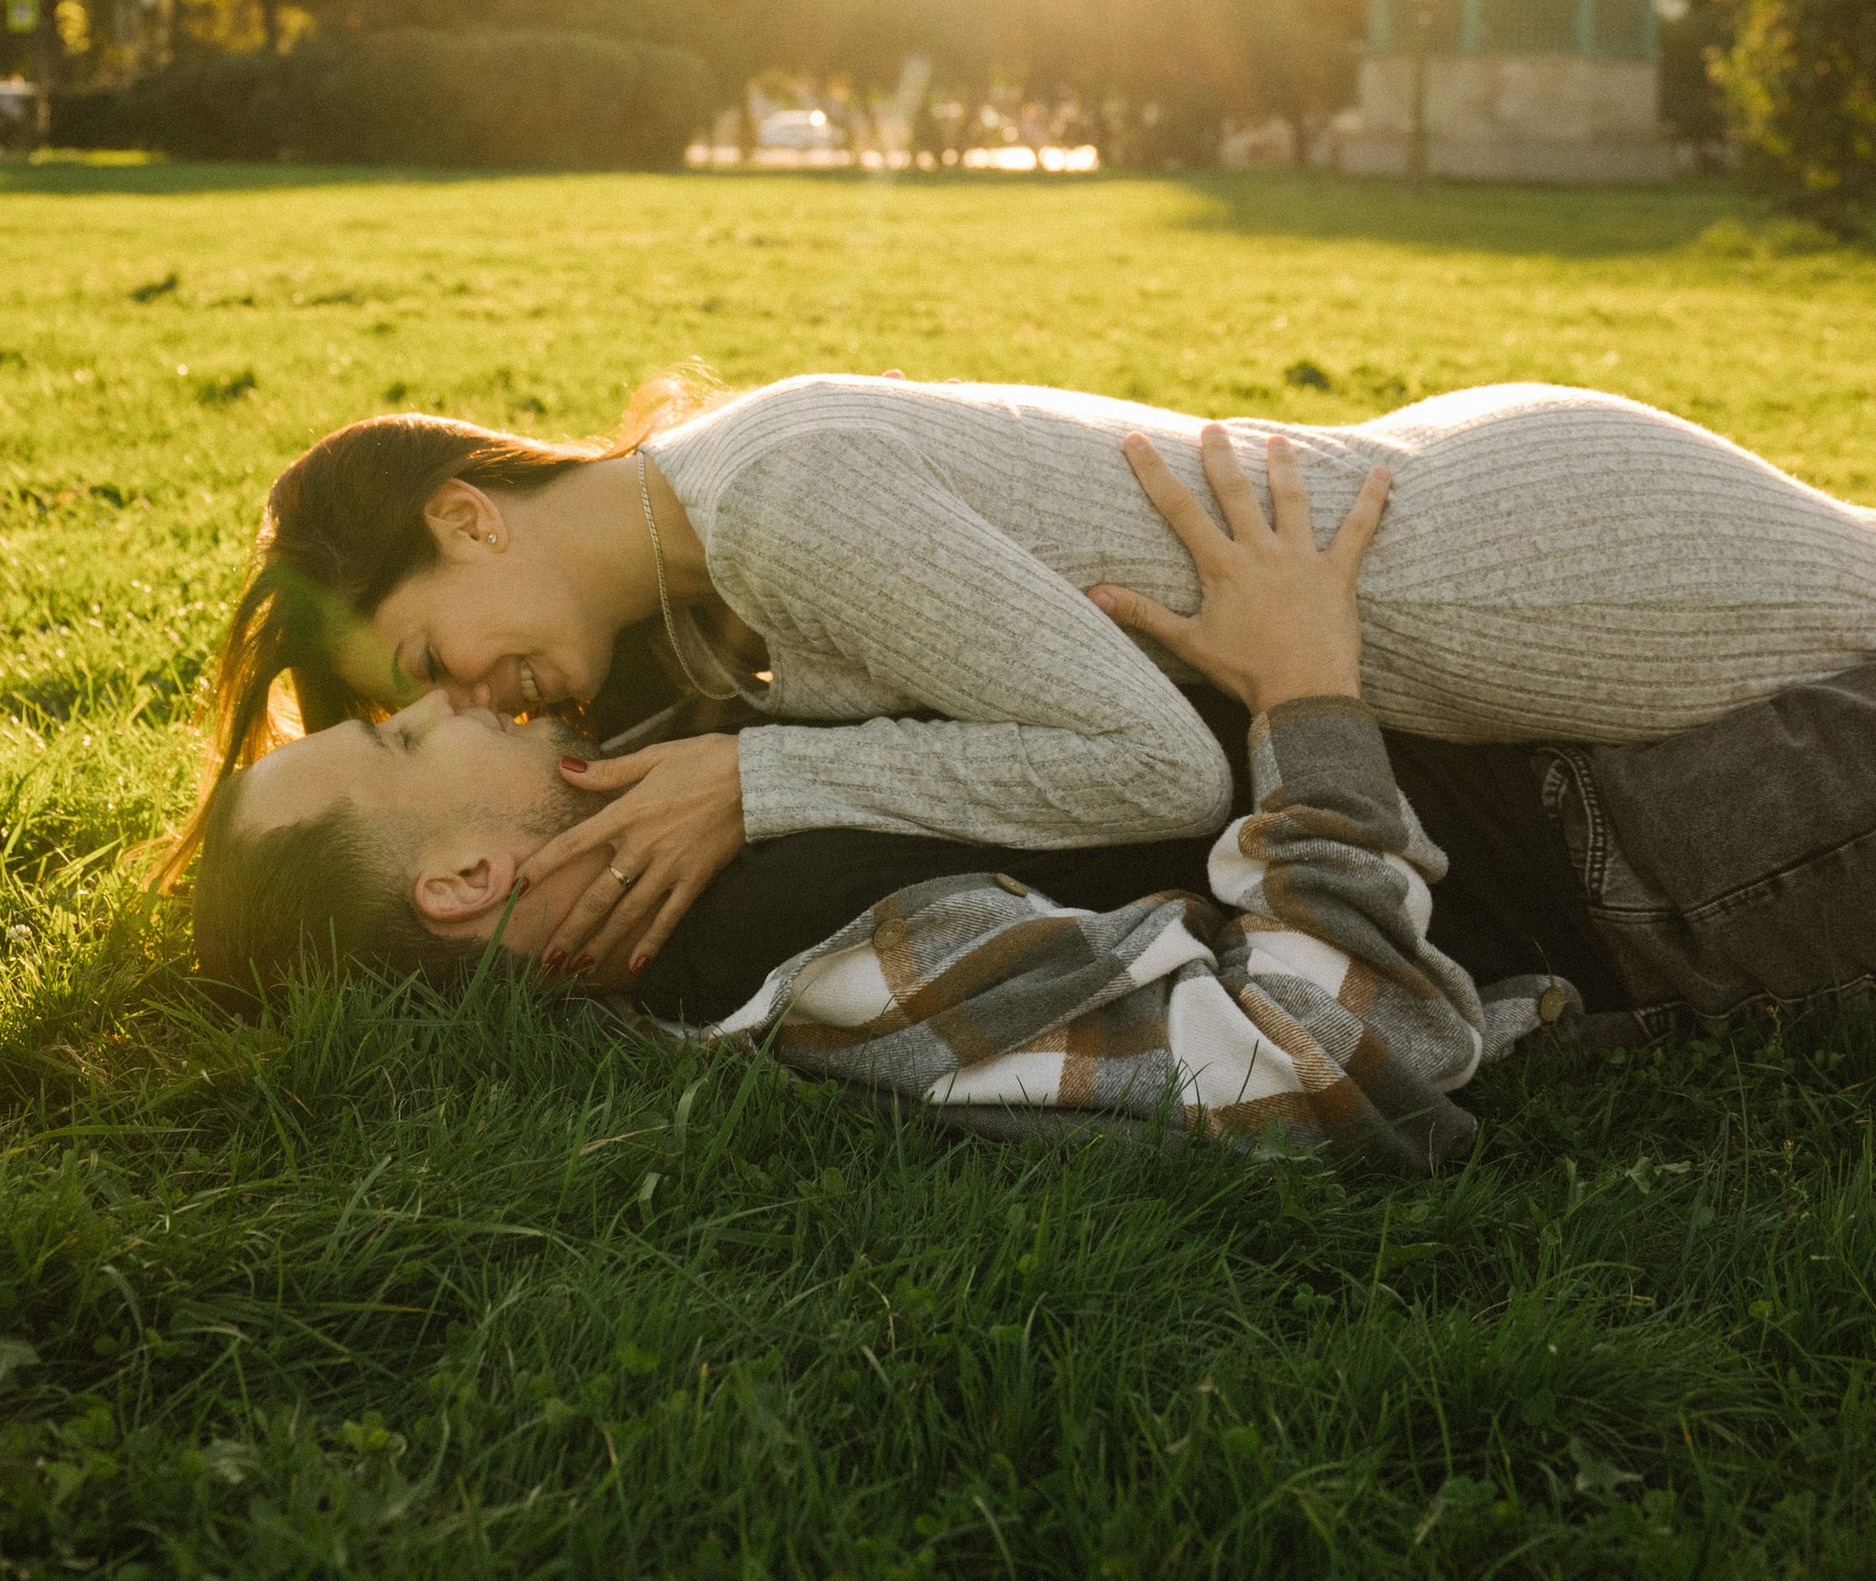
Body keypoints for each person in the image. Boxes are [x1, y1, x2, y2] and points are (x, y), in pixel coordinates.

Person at [186, 428, 1876, 1162]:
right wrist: (1307, 695)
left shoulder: (670, 767)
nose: (468, 704)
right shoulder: (821, 968)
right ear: (468, 883)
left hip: (1561, 686)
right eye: (414, 738)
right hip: (1640, 845)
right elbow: (1331, 1072)